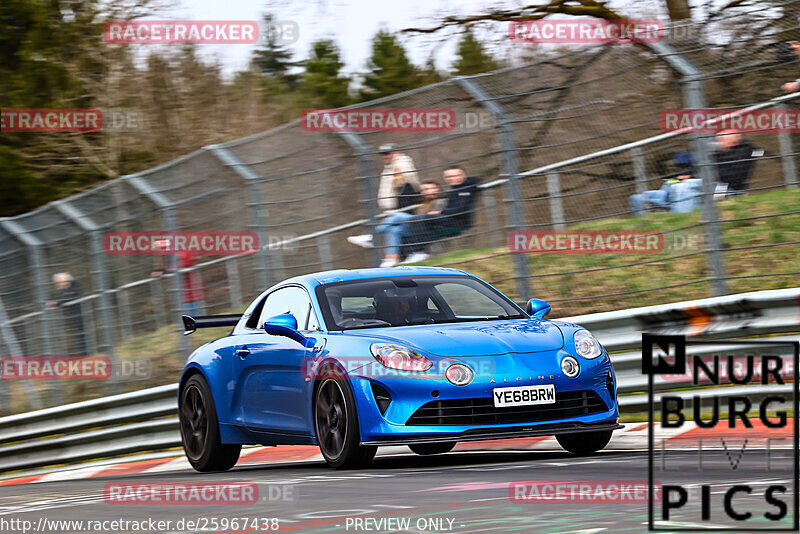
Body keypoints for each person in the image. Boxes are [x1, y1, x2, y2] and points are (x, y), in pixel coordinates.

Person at [400, 165, 479, 264]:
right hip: (448, 218)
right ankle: (409, 256)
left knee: (419, 219)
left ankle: (418, 253)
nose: (454, 179)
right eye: (449, 177)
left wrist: (440, 212)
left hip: (458, 222)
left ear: (464, 175)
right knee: (410, 226)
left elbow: (462, 208)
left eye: (457, 175)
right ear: (445, 178)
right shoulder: (454, 189)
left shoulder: (467, 187)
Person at [347, 144, 420, 249]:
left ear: (396, 153)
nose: (385, 156)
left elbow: (408, 181)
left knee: (400, 235)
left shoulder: (402, 164)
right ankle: (393, 258)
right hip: (392, 209)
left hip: (401, 208)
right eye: (383, 154)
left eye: (387, 153)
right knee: (395, 235)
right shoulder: (389, 168)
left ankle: (371, 236)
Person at [372, 180, 446, 267]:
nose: (428, 191)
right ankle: (391, 258)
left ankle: (373, 235)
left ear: (438, 189)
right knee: (395, 229)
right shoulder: (420, 204)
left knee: (398, 215)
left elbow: (437, 215)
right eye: (425, 189)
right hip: (417, 227)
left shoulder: (441, 201)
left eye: (432, 188)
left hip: (430, 226)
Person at [629, 151, 702, 215]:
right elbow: (667, 186)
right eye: (679, 166)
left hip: (683, 194)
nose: (681, 168)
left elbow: (694, 179)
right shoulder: (675, 178)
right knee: (636, 198)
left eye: (684, 166)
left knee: (679, 187)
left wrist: (687, 177)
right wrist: (676, 179)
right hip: (666, 196)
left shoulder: (697, 177)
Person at [152, 244, 205, 317]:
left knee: (194, 317)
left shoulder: (182, 254)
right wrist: (161, 271)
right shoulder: (173, 259)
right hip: (182, 297)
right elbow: (171, 268)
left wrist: (164, 271)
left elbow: (181, 267)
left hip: (190, 295)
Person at [46, 273, 88, 356]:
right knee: (79, 335)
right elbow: (65, 298)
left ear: (65, 280)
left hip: (80, 314)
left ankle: (85, 354)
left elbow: (69, 298)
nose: (56, 284)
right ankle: (84, 354)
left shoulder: (73, 287)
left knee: (82, 335)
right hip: (75, 315)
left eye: (58, 282)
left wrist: (56, 303)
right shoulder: (68, 288)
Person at [713, 130, 756, 195]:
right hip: (724, 186)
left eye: (721, 140)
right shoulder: (726, 154)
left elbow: (730, 176)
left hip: (728, 188)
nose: (719, 143)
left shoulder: (742, 153)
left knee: (694, 184)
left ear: (733, 141)